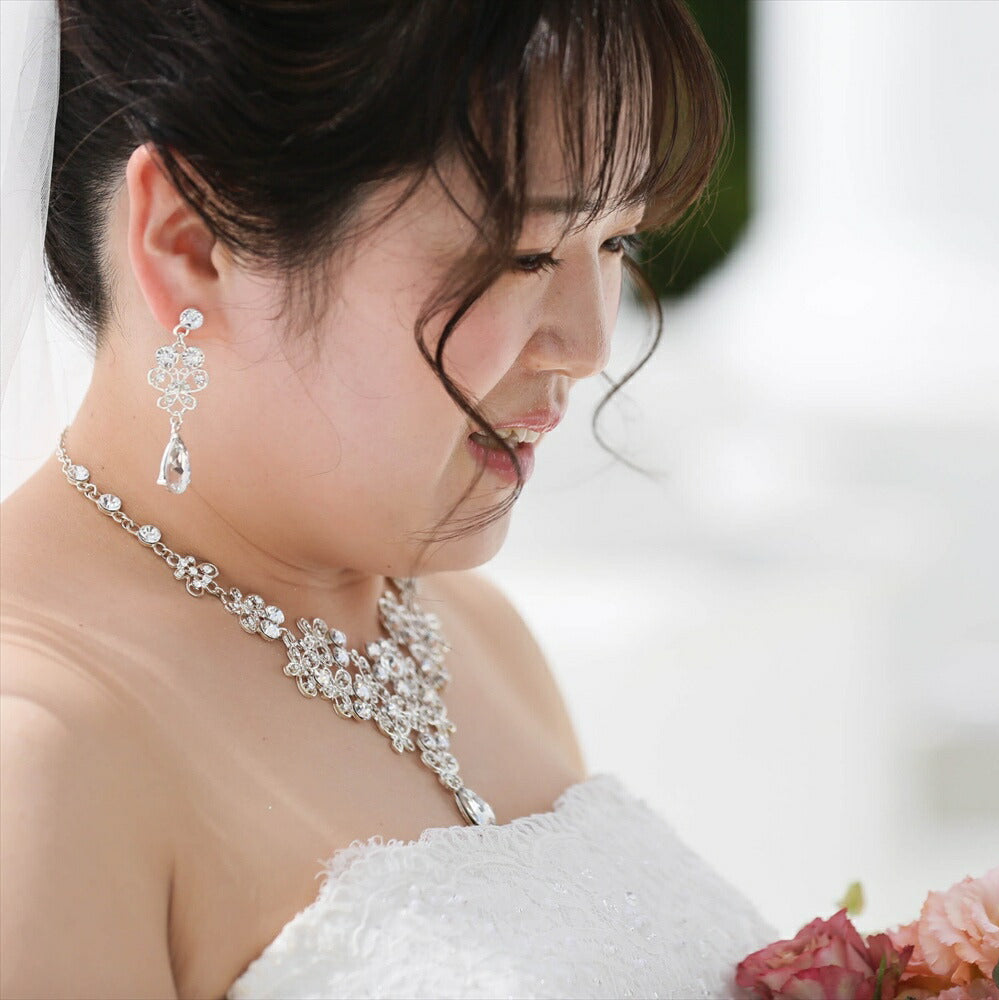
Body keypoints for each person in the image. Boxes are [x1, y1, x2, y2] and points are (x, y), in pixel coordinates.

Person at [0, 1, 778, 996]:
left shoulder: (481, 637)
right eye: (524, 255)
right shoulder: (39, 758)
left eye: (618, 243)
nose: (587, 346)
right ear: (191, 240)